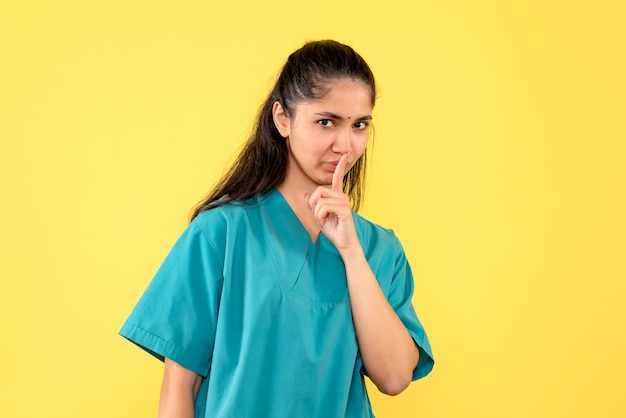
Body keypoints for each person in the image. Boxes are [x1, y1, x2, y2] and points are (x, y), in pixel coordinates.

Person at [120, 39, 434, 418]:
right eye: (326, 122)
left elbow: (395, 377)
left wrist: (351, 253)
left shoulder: (378, 249)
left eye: (360, 125)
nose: (345, 145)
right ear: (282, 119)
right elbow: (178, 387)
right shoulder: (221, 233)